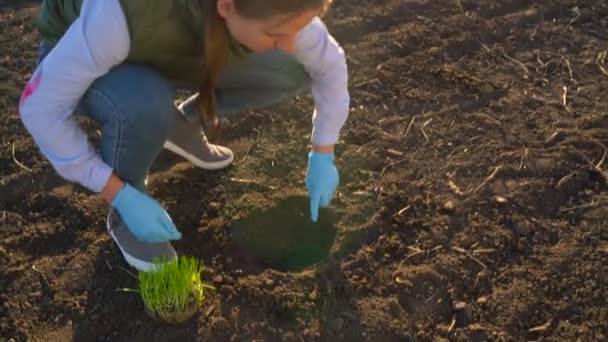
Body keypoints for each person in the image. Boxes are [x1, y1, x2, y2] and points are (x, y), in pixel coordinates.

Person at [18, 0, 350, 272]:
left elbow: (328, 64)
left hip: (160, 41)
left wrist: (323, 151)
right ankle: (127, 207)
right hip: (84, 50)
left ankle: (180, 123)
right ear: (226, 6)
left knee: (290, 68)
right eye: (276, 34)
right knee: (144, 100)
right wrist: (118, 193)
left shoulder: (269, 10)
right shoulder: (119, 12)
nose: (290, 43)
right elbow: (41, 109)